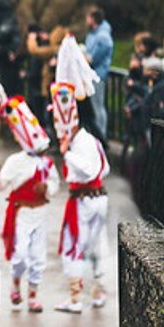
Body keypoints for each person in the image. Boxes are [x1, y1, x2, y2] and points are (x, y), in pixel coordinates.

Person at [0, 97, 58, 313]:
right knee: (20, 255)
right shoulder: (15, 161)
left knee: (38, 257)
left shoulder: (47, 163)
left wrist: (47, 188)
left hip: (40, 213)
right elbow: (0, 186)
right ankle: (15, 283)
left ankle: (32, 296)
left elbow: (55, 184)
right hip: (21, 213)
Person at [51, 83, 110, 314]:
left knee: (74, 245)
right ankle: (98, 290)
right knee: (96, 245)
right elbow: (105, 169)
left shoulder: (81, 142)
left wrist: (67, 154)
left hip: (84, 201)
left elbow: (91, 170)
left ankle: (75, 298)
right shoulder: (90, 139)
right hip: (97, 198)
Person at [84, 8, 114, 140]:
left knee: (98, 107)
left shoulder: (102, 37)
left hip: (97, 75)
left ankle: (101, 136)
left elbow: (96, 56)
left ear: (93, 19)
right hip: (91, 75)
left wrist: (88, 58)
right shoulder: (94, 34)